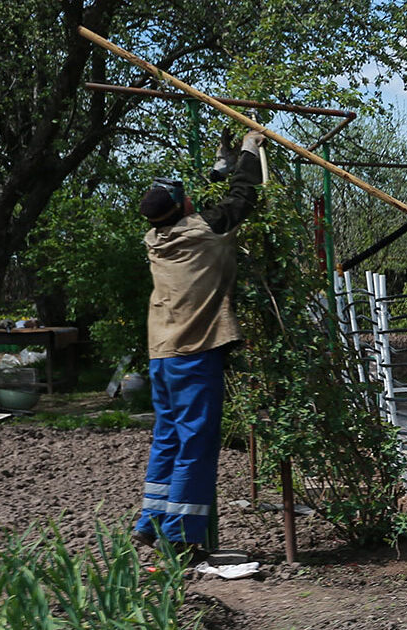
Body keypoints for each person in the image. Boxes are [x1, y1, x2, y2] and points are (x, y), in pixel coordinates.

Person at [131, 129, 266, 558]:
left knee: (168, 438)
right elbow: (240, 200)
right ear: (183, 207)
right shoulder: (200, 231)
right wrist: (249, 151)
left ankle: (150, 522)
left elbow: (213, 207)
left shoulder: (158, 238)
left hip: (162, 354)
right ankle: (181, 537)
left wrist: (221, 161)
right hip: (194, 353)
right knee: (196, 443)